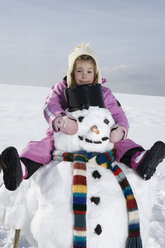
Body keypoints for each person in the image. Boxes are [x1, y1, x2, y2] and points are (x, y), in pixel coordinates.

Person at [0, 43, 165, 191]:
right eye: (79, 71)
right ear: (72, 72)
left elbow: (117, 113)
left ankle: (141, 160)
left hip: (99, 135)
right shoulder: (61, 88)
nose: (84, 75)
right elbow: (50, 106)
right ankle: (20, 169)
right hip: (66, 134)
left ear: (96, 73)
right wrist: (60, 120)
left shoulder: (104, 92)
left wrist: (120, 129)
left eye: (89, 71)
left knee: (122, 144)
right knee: (41, 146)